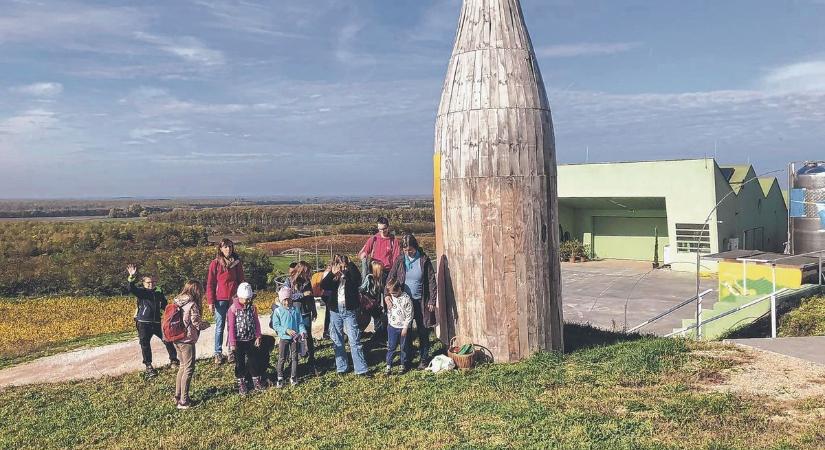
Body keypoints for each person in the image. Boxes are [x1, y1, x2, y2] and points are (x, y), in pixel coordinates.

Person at [386, 234, 437, 370]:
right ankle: (406, 360)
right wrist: (387, 295)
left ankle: (424, 358)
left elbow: (431, 281)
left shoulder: (423, 260)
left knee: (423, 330)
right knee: (406, 332)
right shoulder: (400, 260)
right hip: (403, 303)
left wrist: (432, 300)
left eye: (410, 250)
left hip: (420, 301)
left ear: (415, 247)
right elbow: (391, 277)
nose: (408, 253)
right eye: (405, 250)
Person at [320, 255, 369, 376]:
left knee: (354, 339)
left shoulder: (350, 273)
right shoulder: (332, 275)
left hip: (349, 310)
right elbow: (324, 285)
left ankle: (361, 369)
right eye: (339, 264)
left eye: (343, 265)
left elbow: (357, 280)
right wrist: (333, 274)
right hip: (335, 310)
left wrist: (349, 266)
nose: (341, 267)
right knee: (337, 339)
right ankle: (342, 367)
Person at [126, 264, 178, 378]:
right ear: (144, 283)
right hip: (143, 322)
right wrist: (131, 277)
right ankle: (148, 366)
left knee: (167, 339)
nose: (151, 284)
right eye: (148, 282)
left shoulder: (159, 291)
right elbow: (131, 288)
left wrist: (171, 311)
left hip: (157, 322)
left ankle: (174, 360)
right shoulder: (141, 292)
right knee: (145, 344)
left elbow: (164, 304)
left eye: (153, 282)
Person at [172, 280, 210, 410]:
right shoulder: (192, 304)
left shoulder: (177, 301)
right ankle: (184, 401)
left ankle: (177, 396)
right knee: (188, 369)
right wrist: (206, 324)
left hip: (176, 338)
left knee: (182, 366)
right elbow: (196, 323)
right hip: (187, 339)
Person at [207, 239, 245, 365]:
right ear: (221, 249)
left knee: (232, 326)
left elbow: (241, 281)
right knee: (219, 326)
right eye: (225, 247)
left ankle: (231, 351)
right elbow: (211, 283)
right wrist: (210, 301)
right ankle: (218, 353)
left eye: (230, 246)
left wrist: (243, 297)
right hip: (220, 300)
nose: (228, 249)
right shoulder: (215, 263)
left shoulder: (237, 263)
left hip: (234, 299)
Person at [227, 282, 264, 395]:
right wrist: (232, 342)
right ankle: (241, 383)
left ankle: (256, 380)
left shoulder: (252, 308)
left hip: (251, 339)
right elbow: (231, 327)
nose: (248, 301)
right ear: (239, 297)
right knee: (240, 363)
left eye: (249, 299)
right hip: (239, 341)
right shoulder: (233, 309)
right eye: (246, 299)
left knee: (253, 361)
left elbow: (256, 322)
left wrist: (258, 336)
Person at [271, 286, 307, 387]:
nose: (287, 303)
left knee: (294, 357)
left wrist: (303, 331)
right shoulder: (278, 311)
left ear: (291, 299)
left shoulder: (296, 310)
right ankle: (280, 377)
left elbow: (300, 323)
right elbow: (276, 325)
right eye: (285, 300)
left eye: (289, 300)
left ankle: (293, 376)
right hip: (284, 338)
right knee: (282, 358)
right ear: (281, 300)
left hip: (295, 339)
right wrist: (286, 330)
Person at [294, 261, 319, 376]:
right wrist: (302, 295)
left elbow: (311, 297)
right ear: (302, 270)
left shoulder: (307, 282)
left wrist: (314, 310)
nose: (309, 273)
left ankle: (311, 361)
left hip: (306, 312)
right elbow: (287, 296)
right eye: (307, 271)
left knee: (308, 336)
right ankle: (295, 360)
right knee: (295, 337)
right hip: (295, 313)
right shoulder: (291, 282)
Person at [384, 278, 412, 375]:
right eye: (391, 294)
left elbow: (409, 315)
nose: (393, 295)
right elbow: (389, 311)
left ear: (399, 289)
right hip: (392, 326)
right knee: (391, 346)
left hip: (402, 328)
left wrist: (405, 327)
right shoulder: (390, 297)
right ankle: (389, 365)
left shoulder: (406, 299)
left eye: (394, 293)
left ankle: (402, 364)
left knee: (403, 347)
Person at [360, 259, 388, 342]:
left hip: (375, 303)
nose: (382, 271)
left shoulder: (379, 279)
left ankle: (378, 336)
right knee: (377, 318)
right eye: (381, 270)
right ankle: (378, 337)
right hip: (369, 303)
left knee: (379, 319)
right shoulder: (369, 278)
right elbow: (362, 289)